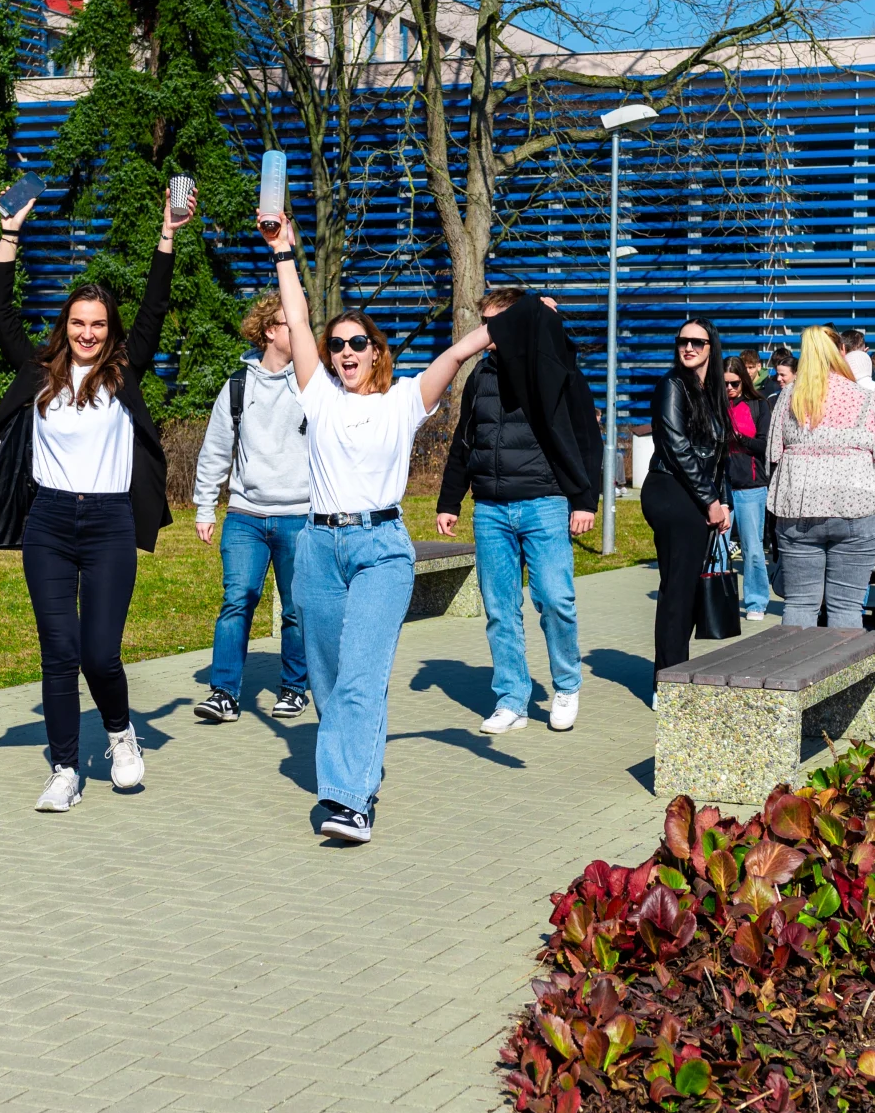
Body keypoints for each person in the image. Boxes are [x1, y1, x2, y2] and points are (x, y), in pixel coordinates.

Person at [257, 212, 494, 845]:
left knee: (361, 676)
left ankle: (350, 801)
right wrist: (284, 251)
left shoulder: (403, 402)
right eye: (338, 346)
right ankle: (359, 769)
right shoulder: (319, 396)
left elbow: (454, 354)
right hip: (318, 548)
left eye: (357, 344)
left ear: (377, 352)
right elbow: (299, 322)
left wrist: (504, 324)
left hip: (381, 550)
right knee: (329, 682)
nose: (345, 354)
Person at [0, 185, 193, 814]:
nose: (87, 333)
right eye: (78, 323)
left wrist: (167, 234)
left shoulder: (125, 374)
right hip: (50, 522)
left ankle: (120, 734)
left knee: (99, 651)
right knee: (58, 653)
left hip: (110, 523)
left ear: (110, 331)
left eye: (98, 325)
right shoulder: (40, 376)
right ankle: (64, 767)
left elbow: (154, 305)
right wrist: (9, 235)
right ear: (65, 327)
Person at [434, 286, 603, 734]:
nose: (487, 333)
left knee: (555, 599)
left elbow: (587, 439)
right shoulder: (480, 377)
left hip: (544, 503)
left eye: (495, 323)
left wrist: (585, 501)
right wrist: (450, 500)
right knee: (500, 609)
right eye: (484, 323)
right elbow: (463, 442)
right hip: (490, 509)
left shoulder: (555, 371)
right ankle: (511, 699)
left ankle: (566, 685)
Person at [189, 292, 311, 725]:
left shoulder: (311, 382)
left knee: (297, 608)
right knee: (236, 601)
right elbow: (216, 452)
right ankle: (224, 692)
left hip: (301, 516)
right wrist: (205, 506)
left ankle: (295, 689)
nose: (301, 328)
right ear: (269, 331)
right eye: (291, 322)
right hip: (245, 515)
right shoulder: (238, 386)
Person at [767, 326, 875, 629]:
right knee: (846, 607)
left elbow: (774, 453)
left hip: (798, 507)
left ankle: (797, 674)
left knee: (800, 602)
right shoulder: (866, 398)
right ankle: (844, 676)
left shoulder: (789, 396)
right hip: (857, 507)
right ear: (842, 352)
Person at [643, 316, 734, 670]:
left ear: (711, 347)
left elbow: (719, 455)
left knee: (689, 587)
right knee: (678, 589)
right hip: (671, 489)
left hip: (696, 492)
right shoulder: (672, 385)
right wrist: (710, 500)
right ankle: (667, 678)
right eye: (683, 341)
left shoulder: (710, 393)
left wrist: (722, 500)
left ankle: (673, 668)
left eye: (697, 342)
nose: (689, 348)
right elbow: (677, 447)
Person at [717, 351, 776, 620]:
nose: (729, 388)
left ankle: (755, 602)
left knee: (753, 548)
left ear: (744, 381)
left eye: (734, 383)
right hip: (719, 487)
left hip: (751, 485)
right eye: (724, 383)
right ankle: (715, 600)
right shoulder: (714, 404)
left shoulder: (758, 404)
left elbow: (765, 445)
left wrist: (739, 438)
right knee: (717, 547)